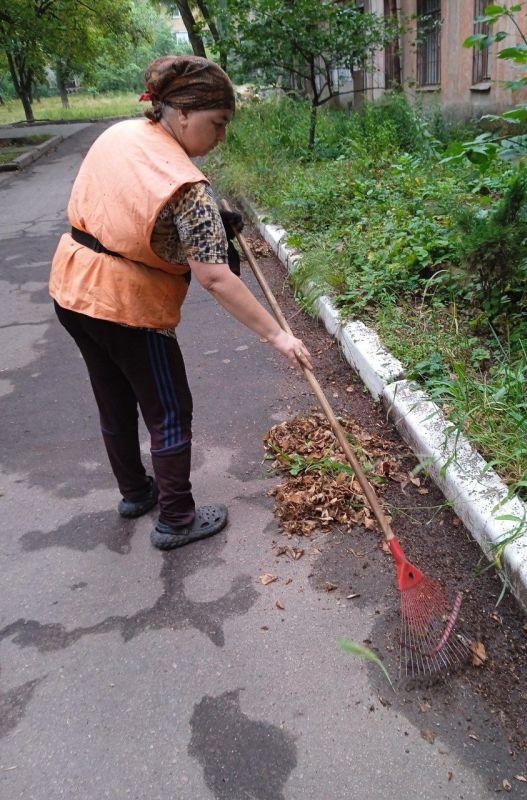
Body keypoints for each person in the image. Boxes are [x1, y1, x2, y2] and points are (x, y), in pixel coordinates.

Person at [49, 55, 312, 551]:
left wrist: (215, 223)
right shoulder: (189, 190)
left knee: (113, 396)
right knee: (168, 408)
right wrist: (278, 335)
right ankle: (176, 519)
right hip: (128, 307)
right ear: (184, 112)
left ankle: (135, 493)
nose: (221, 137)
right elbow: (215, 277)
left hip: (72, 288)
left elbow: (128, 206)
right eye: (219, 123)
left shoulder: (124, 134)